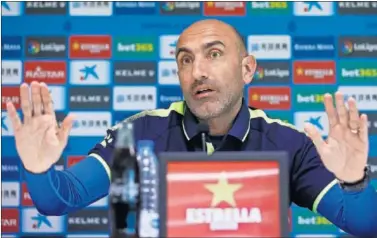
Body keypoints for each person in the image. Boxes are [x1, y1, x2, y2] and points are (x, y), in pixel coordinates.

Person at [6, 19, 377, 236]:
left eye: (214, 54)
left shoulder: (288, 142)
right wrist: (39, 168)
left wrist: (354, 182)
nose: (198, 70)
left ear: (248, 69)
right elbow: (58, 200)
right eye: (186, 60)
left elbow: (364, 226)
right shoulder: (140, 134)